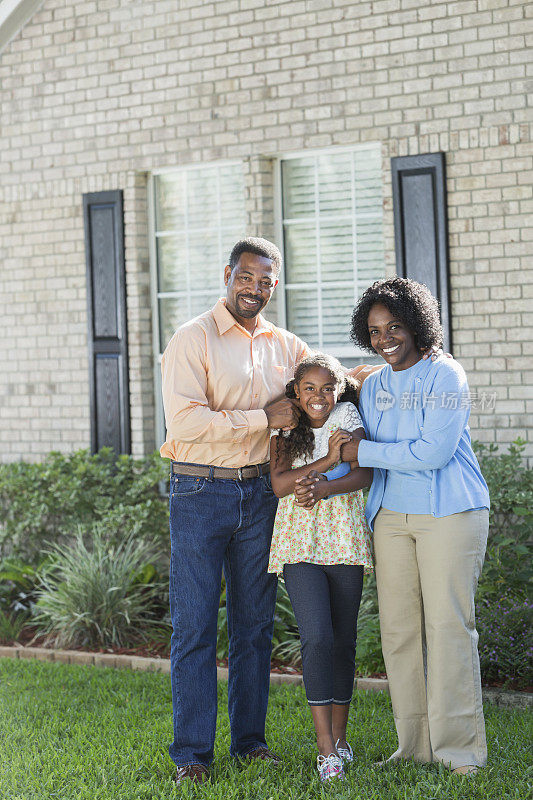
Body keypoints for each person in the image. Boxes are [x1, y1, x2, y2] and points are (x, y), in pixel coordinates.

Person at [160, 237, 315, 785]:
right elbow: (185, 424)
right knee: (196, 628)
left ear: (275, 284)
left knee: (253, 627)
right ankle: (192, 756)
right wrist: (261, 419)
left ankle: (249, 744)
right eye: (246, 277)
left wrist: (364, 376)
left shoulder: (283, 344)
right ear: (228, 275)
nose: (255, 289)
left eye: (266, 281)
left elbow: (320, 375)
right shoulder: (192, 339)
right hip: (200, 493)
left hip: (260, 496)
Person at [330, 277, 490, 775]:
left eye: (395, 327)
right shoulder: (374, 384)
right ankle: (413, 745)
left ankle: (459, 752)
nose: (385, 339)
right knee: (399, 633)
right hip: (390, 518)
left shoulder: (446, 376)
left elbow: (433, 452)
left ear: (419, 326)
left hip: (450, 513)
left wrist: (363, 450)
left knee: (448, 629)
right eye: (375, 331)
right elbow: (334, 411)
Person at [268, 353, 373, 784]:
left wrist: (323, 487)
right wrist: (326, 463)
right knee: (317, 637)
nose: (319, 396)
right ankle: (325, 750)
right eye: (309, 388)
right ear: (296, 391)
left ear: (339, 390)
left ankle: (342, 739)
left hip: (344, 538)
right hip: (298, 543)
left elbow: (364, 474)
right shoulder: (284, 428)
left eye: (327, 388)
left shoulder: (347, 417)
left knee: (343, 641)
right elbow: (279, 486)